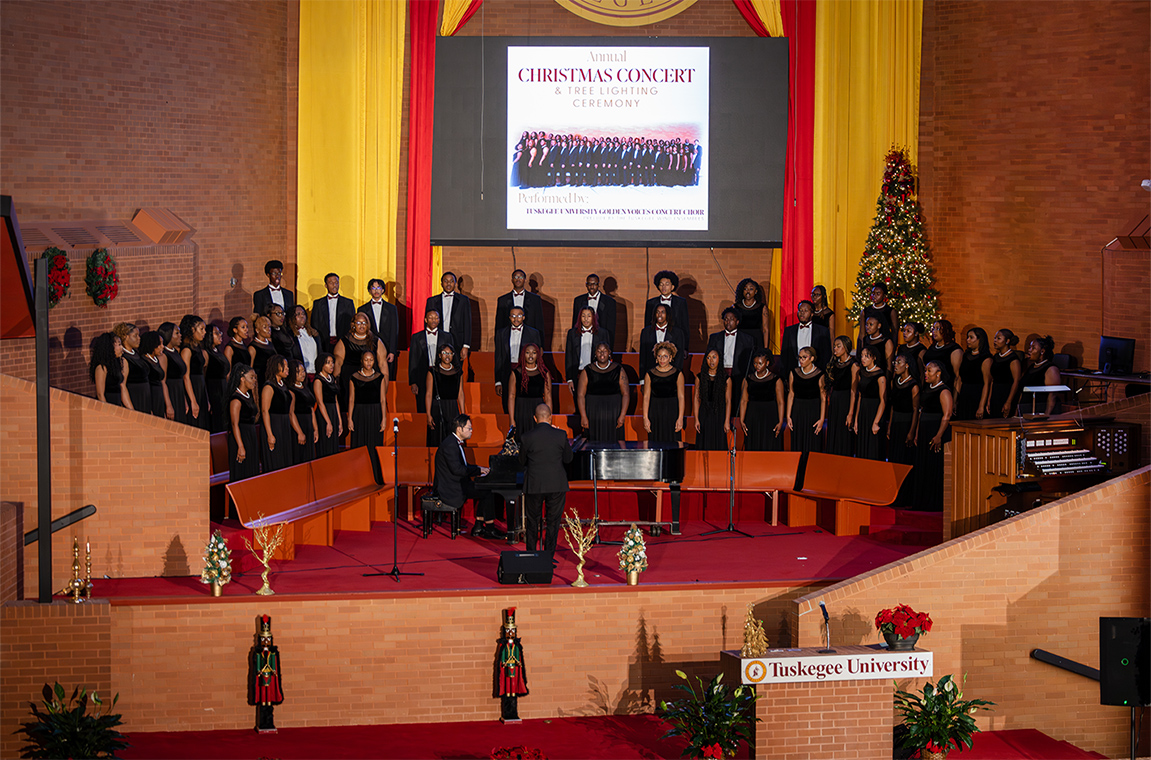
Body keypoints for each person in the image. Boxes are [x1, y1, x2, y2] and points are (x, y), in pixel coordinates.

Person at [432, 414, 500, 539]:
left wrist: (479, 469)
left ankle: (479, 526)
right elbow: (457, 469)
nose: (471, 431)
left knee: (486, 489)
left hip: (457, 482)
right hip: (451, 487)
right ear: (459, 429)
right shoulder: (450, 445)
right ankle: (488, 528)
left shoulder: (454, 443)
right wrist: (478, 470)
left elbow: (463, 466)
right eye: (469, 428)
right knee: (487, 490)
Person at [517, 404, 573, 553]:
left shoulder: (526, 437)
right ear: (550, 417)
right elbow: (568, 459)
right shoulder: (561, 435)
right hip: (556, 484)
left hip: (534, 484)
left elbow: (521, 461)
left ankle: (531, 554)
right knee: (553, 522)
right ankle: (548, 557)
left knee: (532, 521)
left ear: (535, 418)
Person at [913, 361, 953, 511]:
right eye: (925, 370)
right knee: (923, 464)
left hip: (936, 430)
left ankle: (934, 503)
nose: (926, 373)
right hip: (924, 430)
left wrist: (939, 435)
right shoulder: (927, 389)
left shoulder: (944, 391)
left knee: (934, 465)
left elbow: (947, 414)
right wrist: (917, 432)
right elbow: (921, 411)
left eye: (929, 371)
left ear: (939, 373)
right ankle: (922, 501)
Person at [577, 342, 628, 443]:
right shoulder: (587, 370)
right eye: (599, 351)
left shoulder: (619, 369)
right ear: (595, 353)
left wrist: (622, 415)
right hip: (593, 412)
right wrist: (583, 416)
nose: (602, 354)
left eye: (604, 351)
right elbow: (580, 395)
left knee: (614, 442)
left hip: (614, 413)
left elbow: (626, 394)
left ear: (609, 353)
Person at [887, 354, 920, 506]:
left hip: (907, 424)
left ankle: (905, 497)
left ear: (907, 365)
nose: (895, 364)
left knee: (905, 460)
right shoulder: (895, 381)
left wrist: (912, 431)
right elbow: (893, 406)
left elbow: (915, 410)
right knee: (894, 459)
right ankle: (894, 495)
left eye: (899, 362)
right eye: (895, 361)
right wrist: (889, 426)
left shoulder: (913, 385)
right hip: (895, 425)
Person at [260, 355, 302, 472]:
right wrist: (270, 434)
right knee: (275, 461)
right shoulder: (269, 387)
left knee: (285, 460)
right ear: (277, 367)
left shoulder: (284, 386)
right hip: (274, 425)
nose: (288, 368)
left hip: (284, 426)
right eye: (285, 366)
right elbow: (265, 411)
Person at [494, 307, 542, 405]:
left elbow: (537, 357)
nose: (516, 319)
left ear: (524, 317)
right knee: (507, 403)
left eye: (519, 316)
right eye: (513, 316)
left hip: (526, 371)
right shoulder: (501, 333)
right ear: (509, 317)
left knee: (524, 401)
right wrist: (498, 381)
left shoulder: (533, 333)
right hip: (507, 371)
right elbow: (498, 358)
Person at [740, 348, 785, 451]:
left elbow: (780, 402)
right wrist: (742, 419)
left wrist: (780, 421)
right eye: (755, 363)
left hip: (770, 415)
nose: (757, 366)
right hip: (753, 415)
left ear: (767, 362)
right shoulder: (748, 379)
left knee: (769, 444)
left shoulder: (776, 379)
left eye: (760, 363)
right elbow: (743, 401)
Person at [334, 312, 388, 399]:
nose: (361, 325)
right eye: (358, 323)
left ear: (368, 324)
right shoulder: (344, 341)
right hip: (348, 381)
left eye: (364, 323)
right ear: (353, 324)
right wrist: (335, 383)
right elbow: (338, 363)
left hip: (371, 381)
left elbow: (383, 364)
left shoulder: (376, 341)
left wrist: (385, 385)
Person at [409, 309, 453, 414]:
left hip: (441, 374)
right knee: (422, 405)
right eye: (431, 317)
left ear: (439, 320)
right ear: (425, 319)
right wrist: (413, 382)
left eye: (436, 318)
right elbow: (413, 360)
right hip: (422, 375)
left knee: (441, 406)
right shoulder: (416, 337)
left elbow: (451, 358)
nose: (434, 320)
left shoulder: (447, 336)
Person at [643, 342, 685, 444]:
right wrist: (645, 418)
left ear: (671, 358)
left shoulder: (678, 374)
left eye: (665, 356)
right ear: (656, 358)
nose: (662, 359)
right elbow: (646, 397)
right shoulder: (649, 374)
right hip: (655, 412)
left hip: (672, 412)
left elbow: (681, 397)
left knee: (672, 442)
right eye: (659, 356)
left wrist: (680, 418)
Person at [786, 346, 826, 453]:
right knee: (797, 441)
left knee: (812, 441)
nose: (801, 360)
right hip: (798, 410)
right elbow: (791, 394)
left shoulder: (820, 374)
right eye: (799, 357)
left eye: (804, 357)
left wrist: (822, 419)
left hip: (813, 410)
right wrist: (788, 416)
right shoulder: (794, 372)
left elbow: (823, 397)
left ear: (812, 358)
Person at [426, 271, 472, 362]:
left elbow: (467, 323)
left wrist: (466, 346)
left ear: (455, 284)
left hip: (457, 341)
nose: (448, 283)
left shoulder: (463, 301)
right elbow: (427, 322)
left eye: (451, 281)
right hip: (437, 340)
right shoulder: (432, 301)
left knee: (456, 369)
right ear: (441, 284)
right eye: (445, 281)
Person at [356, 278, 399, 377]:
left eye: (378, 287)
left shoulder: (392, 308)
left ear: (383, 290)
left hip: (387, 347)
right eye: (373, 288)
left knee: (387, 375)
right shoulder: (362, 309)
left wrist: (392, 351)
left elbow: (394, 331)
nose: (376, 290)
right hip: (368, 346)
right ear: (369, 290)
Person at [508, 343, 552, 440]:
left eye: (533, 353)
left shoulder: (544, 373)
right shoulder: (516, 373)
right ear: (523, 355)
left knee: (537, 440)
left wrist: (549, 418)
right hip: (521, 410)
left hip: (538, 409)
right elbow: (511, 396)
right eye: (527, 353)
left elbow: (548, 397)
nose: (530, 355)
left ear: (538, 355)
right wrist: (511, 419)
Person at [824, 336, 858, 457]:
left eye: (838, 346)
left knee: (844, 433)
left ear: (846, 347)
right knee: (833, 431)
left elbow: (854, 391)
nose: (835, 349)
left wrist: (850, 413)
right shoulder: (833, 364)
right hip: (835, 400)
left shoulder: (853, 365)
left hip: (846, 400)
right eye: (834, 346)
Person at [227, 364, 261, 482]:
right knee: (242, 472)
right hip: (241, 437)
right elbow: (234, 424)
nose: (254, 380)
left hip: (250, 436)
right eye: (251, 377)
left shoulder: (249, 396)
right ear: (242, 378)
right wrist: (240, 446)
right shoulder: (236, 399)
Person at [692, 349, 731, 451]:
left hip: (719, 413)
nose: (711, 361)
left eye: (714, 357)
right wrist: (696, 419)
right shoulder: (700, 377)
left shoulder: (726, 379)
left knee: (719, 442)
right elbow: (696, 398)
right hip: (705, 412)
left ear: (719, 359)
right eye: (708, 358)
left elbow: (728, 401)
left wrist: (727, 421)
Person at [346, 350, 386, 450]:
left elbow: (382, 400)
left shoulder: (380, 377)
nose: (368, 362)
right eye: (366, 360)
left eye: (371, 360)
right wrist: (350, 418)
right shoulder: (354, 377)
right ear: (362, 361)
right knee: (359, 442)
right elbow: (351, 399)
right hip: (359, 413)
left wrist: (384, 418)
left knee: (374, 442)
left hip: (375, 413)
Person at [853, 346, 888, 461]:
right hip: (863, 411)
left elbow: (883, 400)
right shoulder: (862, 373)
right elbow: (860, 397)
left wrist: (876, 422)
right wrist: (857, 420)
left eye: (866, 356)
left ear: (873, 358)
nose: (863, 359)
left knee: (874, 447)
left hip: (874, 412)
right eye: (862, 356)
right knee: (862, 446)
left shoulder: (880, 375)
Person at [251, 615, 284, 732]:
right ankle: (263, 721)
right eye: (264, 640)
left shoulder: (273, 654)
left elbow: (274, 665)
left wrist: (274, 671)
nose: (266, 642)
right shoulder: (258, 653)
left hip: (269, 678)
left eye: (268, 640)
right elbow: (257, 664)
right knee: (263, 698)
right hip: (262, 677)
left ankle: (269, 720)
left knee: (269, 697)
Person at [564, 307, 609, 394]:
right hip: (578, 373)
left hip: (596, 373)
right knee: (578, 402)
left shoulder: (602, 333)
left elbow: (607, 356)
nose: (586, 319)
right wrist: (569, 379)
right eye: (583, 316)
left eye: (589, 316)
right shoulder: (572, 333)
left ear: (593, 317)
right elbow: (569, 356)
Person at [427, 344, 466, 444]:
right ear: (440, 355)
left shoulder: (458, 372)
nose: (447, 355)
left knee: (452, 438)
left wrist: (463, 414)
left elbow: (460, 393)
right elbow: (429, 394)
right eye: (444, 353)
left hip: (453, 408)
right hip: (437, 407)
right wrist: (428, 414)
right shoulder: (433, 371)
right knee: (437, 437)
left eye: (450, 353)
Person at [781, 300, 833, 374]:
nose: (802, 313)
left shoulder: (822, 331)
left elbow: (826, 355)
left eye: (805, 310)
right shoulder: (789, 331)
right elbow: (784, 355)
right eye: (800, 310)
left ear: (812, 314)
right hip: (794, 373)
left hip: (816, 374)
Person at [638, 304, 687, 381]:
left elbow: (679, 358)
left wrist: (676, 377)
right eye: (657, 312)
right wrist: (642, 379)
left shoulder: (678, 333)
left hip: (670, 376)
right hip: (651, 375)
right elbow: (643, 357)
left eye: (663, 312)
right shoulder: (646, 332)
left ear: (668, 314)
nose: (659, 314)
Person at [644, 270, 690, 347]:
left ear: (672, 287)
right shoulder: (651, 303)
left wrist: (685, 347)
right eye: (661, 284)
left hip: (675, 340)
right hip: (655, 341)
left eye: (667, 284)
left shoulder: (681, 302)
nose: (664, 287)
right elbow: (648, 324)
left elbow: (685, 325)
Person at [954, 327, 992, 420]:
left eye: (971, 337)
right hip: (964, 395)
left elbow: (987, 383)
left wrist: (981, 406)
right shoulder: (966, 355)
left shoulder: (986, 358)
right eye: (967, 337)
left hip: (977, 395)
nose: (968, 340)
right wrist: (954, 401)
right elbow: (959, 379)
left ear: (980, 339)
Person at [1018, 335, 1062, 416]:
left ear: (1042, 351)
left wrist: (1046, 415)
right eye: (1030, 347)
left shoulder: (1051, 369)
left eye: (1033, 348)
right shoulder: (1031, 367)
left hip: (1040, 411)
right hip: (1027, 411)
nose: (1029, 350)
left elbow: (1052, 396)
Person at [495, 269, 546, 338]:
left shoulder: (535, 299)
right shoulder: (502, 300)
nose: (518, 279)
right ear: (512, 280)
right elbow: (499, 324)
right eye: (515, 277)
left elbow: (539, 323)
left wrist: (541, 344)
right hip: (508, 338)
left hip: (530, 338)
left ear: (525, 280)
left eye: (521, 277)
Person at [497, 608, 528, 723]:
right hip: (507, 669)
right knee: (508, 689)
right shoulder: (504, 646)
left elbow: (518, 657)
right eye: (508, 631)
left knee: (513, 688)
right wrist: (504, 662)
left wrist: (518, 663)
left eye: (512, 631)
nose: (510, 634)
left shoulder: (516, 646)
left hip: (514, 669)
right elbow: (503, 656)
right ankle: (507, 712)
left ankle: (514, 712)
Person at [179, 315, 210, 429]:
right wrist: (193, 401)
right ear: (192, 330)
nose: (204, 332)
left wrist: (206, 398)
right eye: (201, 329)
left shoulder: (198, 348)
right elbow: (186, 377)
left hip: (200, 389)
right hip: (192, 390)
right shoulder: (187, 350)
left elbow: (202, 374)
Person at [310, 272, 355, 349]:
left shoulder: (348, 303)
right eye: (331, 283)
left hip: (343, 341)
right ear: (326, 285)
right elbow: (314, 323)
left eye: (336, 283)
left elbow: (352, 323)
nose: (334, 285)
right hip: (323, 342)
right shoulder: (318, 304)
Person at [571, 273, 617, 348]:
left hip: (601, 340)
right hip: (583, 339)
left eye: (594, 284)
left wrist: (609, 347)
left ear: (599, 285)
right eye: (589, 284)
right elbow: (575, 323)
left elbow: (611, 327)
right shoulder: (578, 301)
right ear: (586, 285)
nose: (592, 287)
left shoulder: (609, 302)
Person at [116, 322, 151, 414]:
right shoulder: (124, 358)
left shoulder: (136, 353)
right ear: (125, 337)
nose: (139, 338)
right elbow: (122, 385)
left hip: (145, 400)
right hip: (134, 399)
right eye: (135, 336)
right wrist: (131, 410)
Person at [312, 353, 342, 458]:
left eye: (332, 362)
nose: (331, 365)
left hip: (333, 412)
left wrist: (339, 420)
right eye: (328, 363)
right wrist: (328, 422)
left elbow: (336, 400)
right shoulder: (318, 381)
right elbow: (320, 402)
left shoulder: (332, 379)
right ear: (321, 364)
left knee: (333, 444)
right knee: (325, 444)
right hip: (324, 414)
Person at [988, 329, 1023, 418]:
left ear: (1007, 341)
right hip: (996, 394)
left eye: (998, 338)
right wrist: (989, 399)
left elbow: (1016, 382)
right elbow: (993, 379)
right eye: (995, 338)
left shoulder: (1013, 359)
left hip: (1007, 394)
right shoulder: (996, 357)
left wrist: (1008, 402)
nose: (995, 341)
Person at [288, 359, 317, 464]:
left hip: (308, 424)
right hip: (298, 424)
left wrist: (315, 428)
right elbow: (291, 413)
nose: (302, 374)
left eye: (303, 371)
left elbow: (311, 409)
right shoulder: (291, 390)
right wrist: (299, 432)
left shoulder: (306, 388)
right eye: (298, 371)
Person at [89, 332, 129, 408]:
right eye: (119, 345)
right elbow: (100, 394)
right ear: (110, 347)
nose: (122, 348)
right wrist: (107, 411)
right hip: (107, 406)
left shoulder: (116, 364)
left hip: (117, 405)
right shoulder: (101, 368)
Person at [205, 324, 231, 433]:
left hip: (223, 390)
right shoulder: (206, 353)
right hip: (213, 391)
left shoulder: (218, 352)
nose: (221, 334)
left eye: (220, 332)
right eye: (216, 333)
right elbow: (204, 376)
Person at [159, 322, 187, 422]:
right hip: (171, 394)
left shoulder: (176, 352)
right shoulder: (164, 355)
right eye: (177, 333)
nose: (180, 335)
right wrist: (168, 405)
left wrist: (184, 400)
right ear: (168, 335)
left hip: (179, 393)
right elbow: (163, 381)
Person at [140, 330, 172, 419]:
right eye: (160, 344)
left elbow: (162, 382)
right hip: (151, 399)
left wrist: (168, 405)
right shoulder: (144, 362)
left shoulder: (157, 359)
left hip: (159, 398)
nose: (162, 346)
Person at [733, 278, 770, 349]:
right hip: (741, 341)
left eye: (751, 289)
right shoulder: (736, 307)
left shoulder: (762, 308)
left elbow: (765, 329)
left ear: (756, 291)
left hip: (757, 340)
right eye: (745, 289)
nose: (748, 291)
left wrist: (765, 349)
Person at [924, 320, 963, 387]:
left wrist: (955, 396)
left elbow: (958, 377)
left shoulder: (954, 349)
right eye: (933, 328)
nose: (934, 331)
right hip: (929, 387)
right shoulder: (932, 348)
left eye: (938, 328)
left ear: (946, 331)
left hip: (945, 388)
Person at [247, 316, 278, 388]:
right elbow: (249, 369)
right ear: (257, 330)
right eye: (265, 327)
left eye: (269, 327)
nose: (268, 330)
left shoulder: (270, 343)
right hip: (260, 381)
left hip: (272, 380)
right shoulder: (252, 347)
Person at [290, 305, 319, 376]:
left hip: (315, 373)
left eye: (303, 314)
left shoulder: (313, 333)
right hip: (300, 374)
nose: (302, 316)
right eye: (298, 314)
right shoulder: (290, 335)